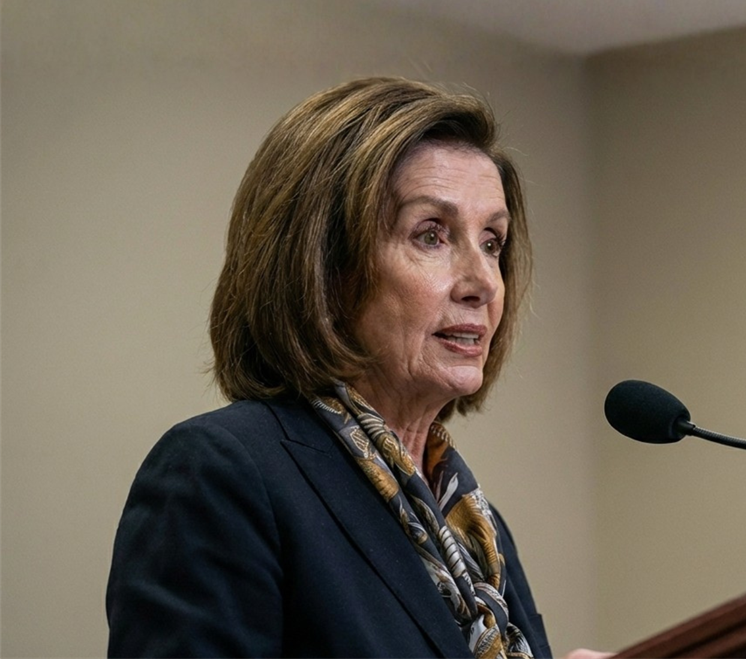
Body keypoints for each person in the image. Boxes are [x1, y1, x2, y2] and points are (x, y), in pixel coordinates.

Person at [107, 77, 609, 659]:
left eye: (493, 242)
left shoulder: (475, 529)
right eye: (432, 234)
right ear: (325, 266)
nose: (482, 283)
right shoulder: (223, 475)